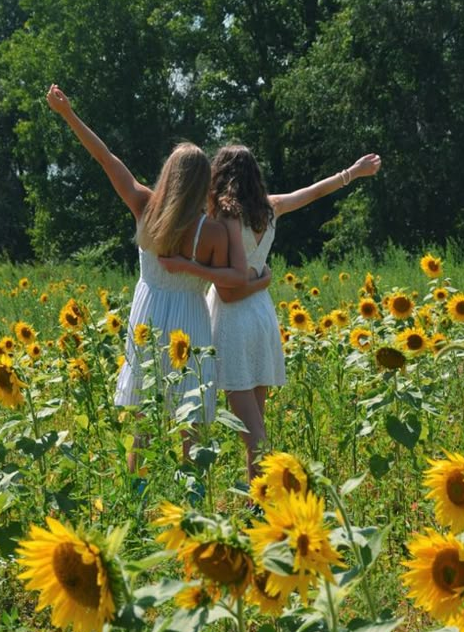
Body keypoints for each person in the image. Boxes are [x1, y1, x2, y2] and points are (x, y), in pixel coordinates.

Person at [45, 85, 271, 470]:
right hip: (191, 320)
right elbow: (233, 278)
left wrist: (68, 114)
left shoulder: (145, 206)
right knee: (193, 419)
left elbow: (105, 158)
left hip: (147, 317)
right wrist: (262, 279)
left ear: (169, 174)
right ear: (205, 182)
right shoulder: (213, 231)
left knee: (143, 419)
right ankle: (193, 497)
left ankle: (136, 495)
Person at [162, 146, 382, 481]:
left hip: (233, 319)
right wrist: (352, 172)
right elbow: (312, 192)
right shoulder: (270, 208)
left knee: (250, 428)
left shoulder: (224, 217)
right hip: (263, 315)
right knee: (257, 417)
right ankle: (258, 494)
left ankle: (274, 486)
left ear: (219, 175)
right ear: (254, 175)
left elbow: (227, 292)